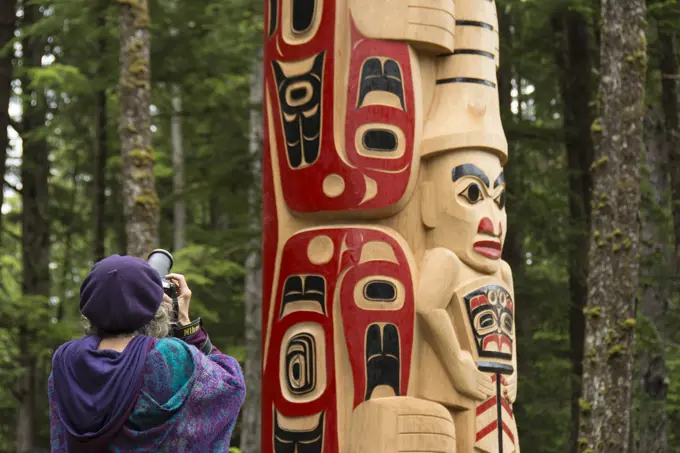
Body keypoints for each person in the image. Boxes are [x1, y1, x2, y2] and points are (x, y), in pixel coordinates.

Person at [48, 254, 246, 452]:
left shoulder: (67, 359)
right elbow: (231, 384)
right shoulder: (166, 356)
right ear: (156, 305)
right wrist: (186, 325)